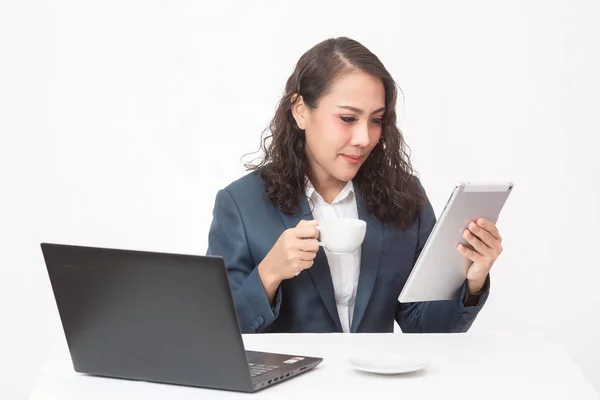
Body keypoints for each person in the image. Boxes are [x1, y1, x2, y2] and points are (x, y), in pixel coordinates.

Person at [206, 37, 503, 334]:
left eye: (376, 120)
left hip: (377, 380)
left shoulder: (404, 197)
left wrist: (473, 281)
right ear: (300, 110)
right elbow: (216, 331)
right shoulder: (241, 204)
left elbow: (424, 328)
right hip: (295, 381)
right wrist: (268, 274)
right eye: (348, 118)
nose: (365, 138)